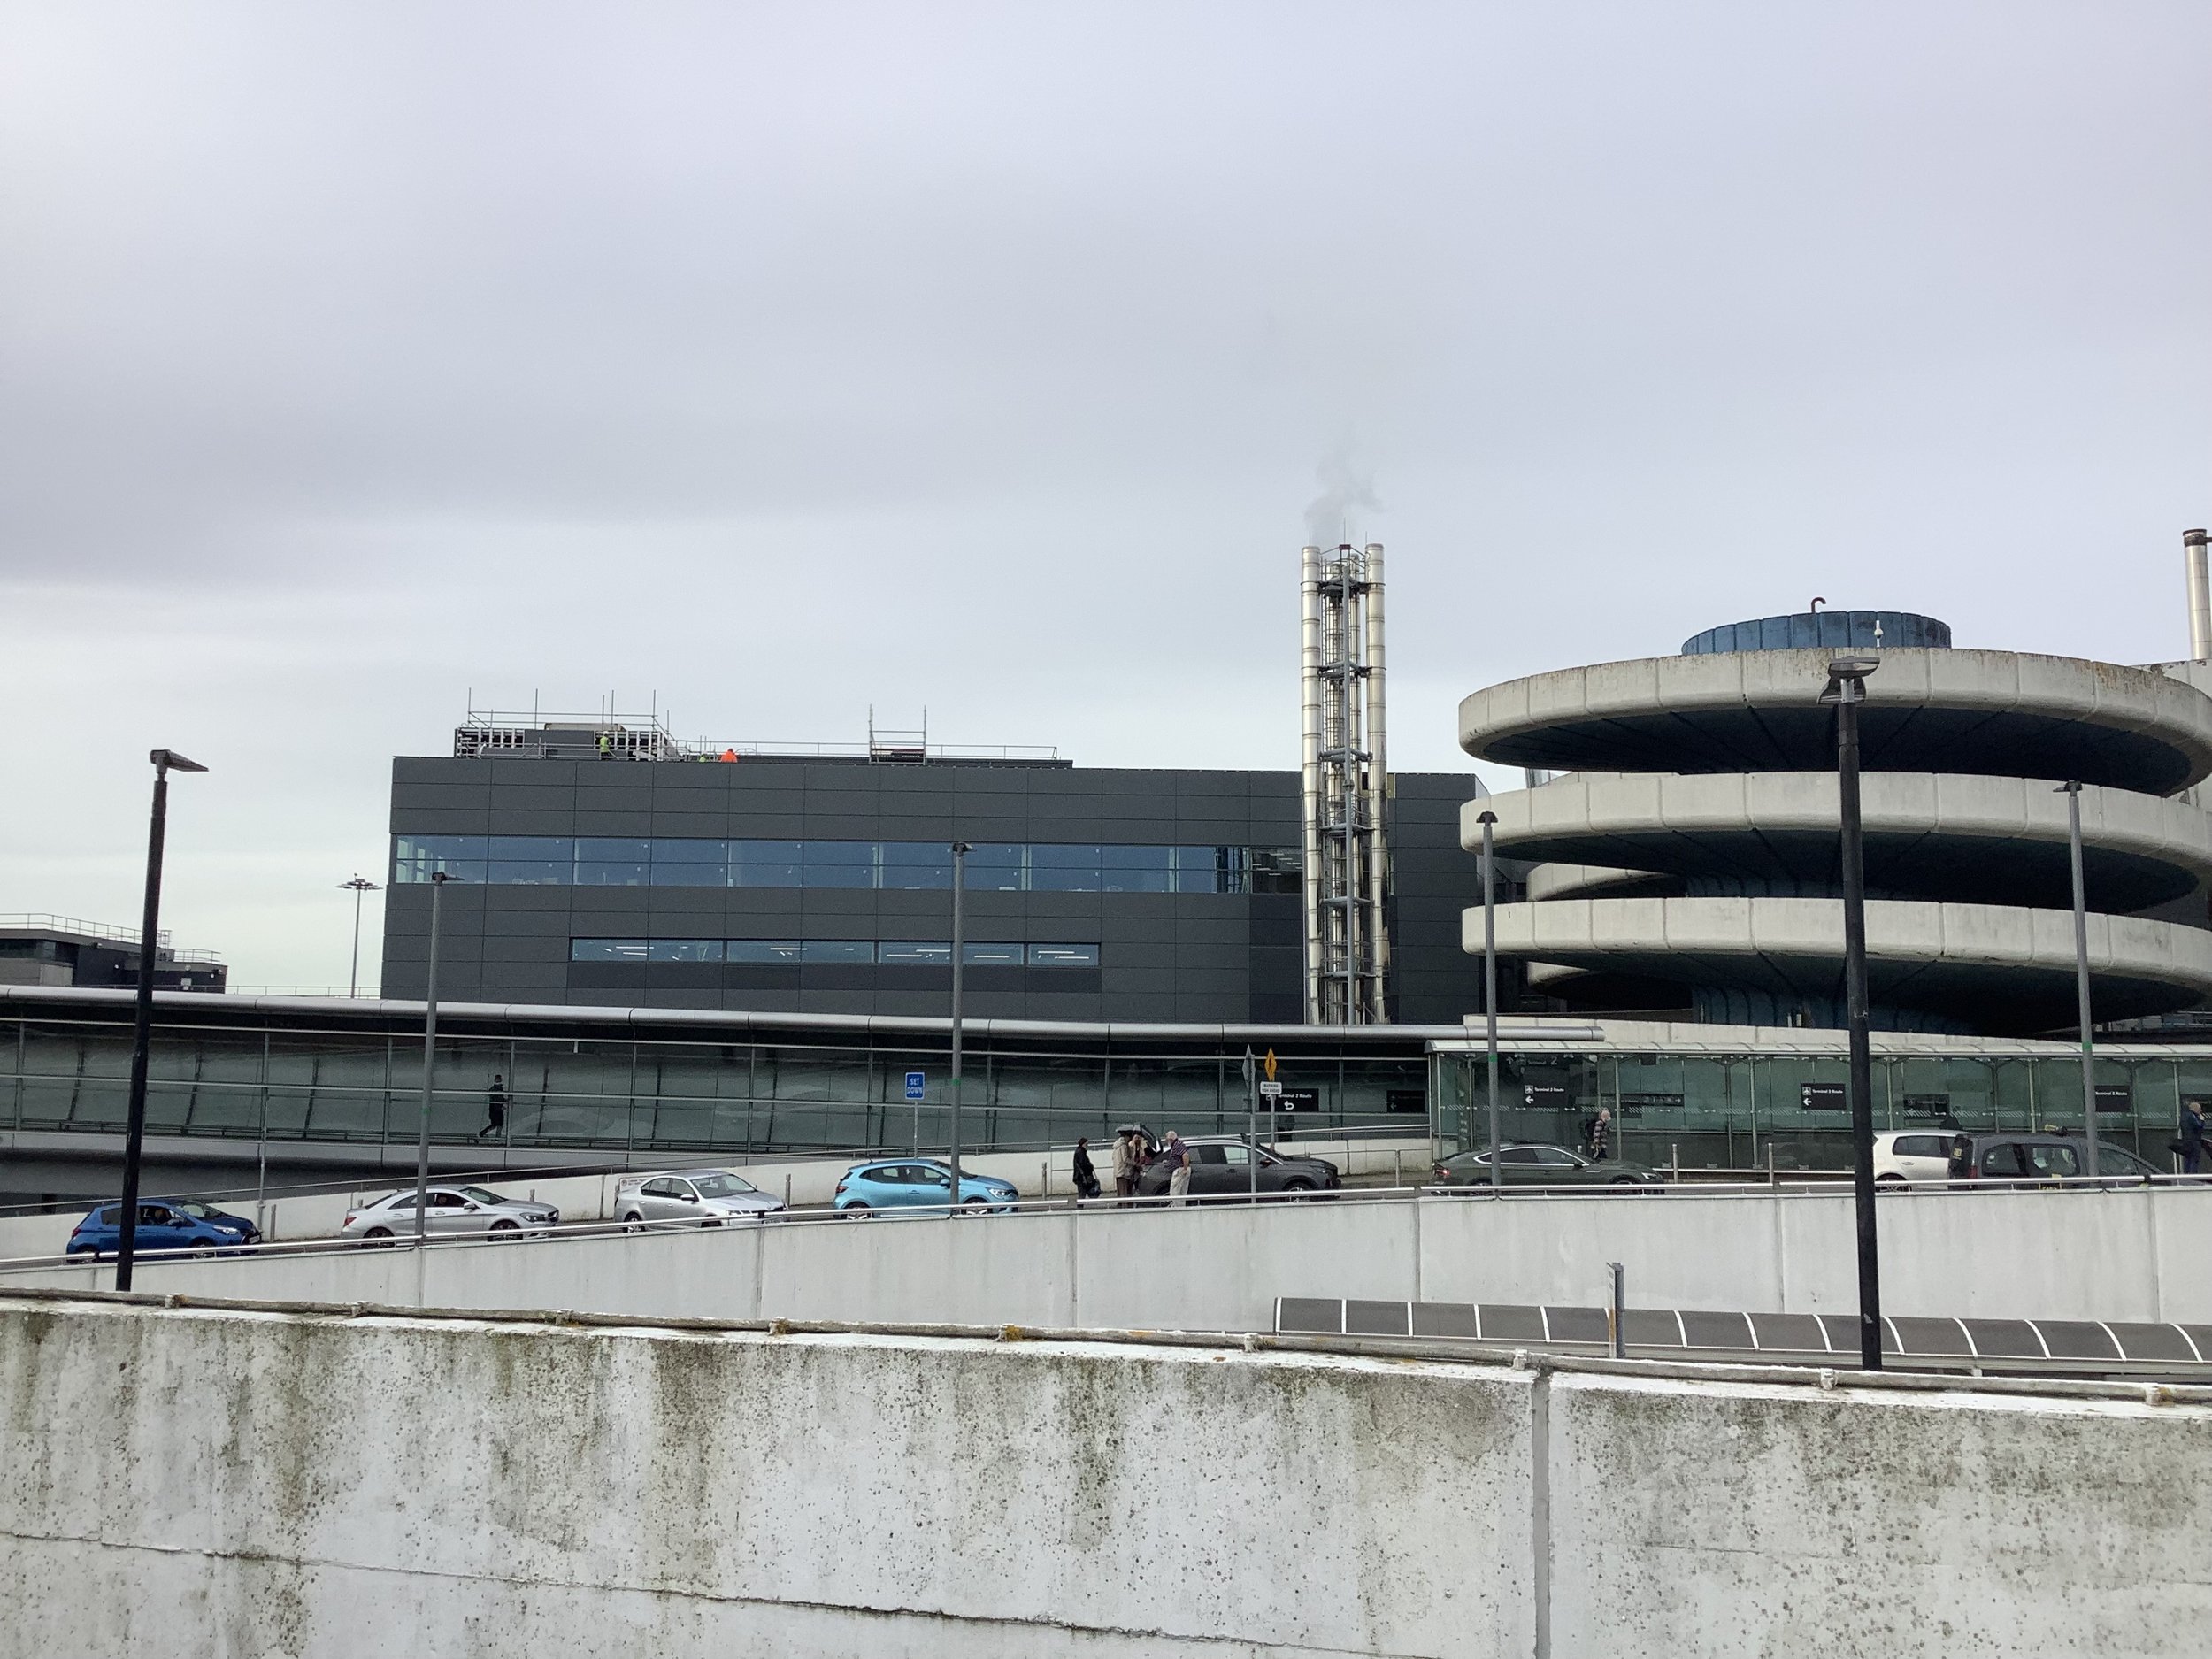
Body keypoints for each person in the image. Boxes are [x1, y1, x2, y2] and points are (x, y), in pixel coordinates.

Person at [1163, 1130, 1192, 1208]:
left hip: (1180, 1170)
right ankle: (1181, 1207)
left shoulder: (1177, 1144)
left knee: (1175, 1191)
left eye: (1167, 1138)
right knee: (1181, 1192)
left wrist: (1185, 1168)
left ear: (1170, 1138)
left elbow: (1185, 1155)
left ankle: (1177, 1207)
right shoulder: (1176, 1144)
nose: (1166, 1140)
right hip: (1181, 1168)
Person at [2179, 1101, 2207, 1174]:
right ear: (2195, 1109)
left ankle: (2186, 1176)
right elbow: (2199, 1127)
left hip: (2186, 1140)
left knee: (2188, 1159)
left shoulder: (2184, 1116)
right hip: (2194, 1141)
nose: (2201, 1111)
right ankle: (2193, 1177)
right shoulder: (2192, 1116)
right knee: (2194, 1160)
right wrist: (2202, 1120)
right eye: (2199, 1109)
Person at [479, 1074, 509, 1141]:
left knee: (494, 1124)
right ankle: (496, 1139)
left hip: (493, 1110)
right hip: (497, 1110)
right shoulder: (499, 1089)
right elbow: (498, 1099)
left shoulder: (493, 1089)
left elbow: (495, 1099)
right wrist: (503, 1104)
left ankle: (483, 1134)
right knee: (499, 1125)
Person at [1071, 1137, 1101, 1201]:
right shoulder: (1081, 1152)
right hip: (1082, 1176)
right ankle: (1080, 1207)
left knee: (1083, 1193)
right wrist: (1090, 1167)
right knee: (1082, 1193)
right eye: (1086, 1144)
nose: (1087, 1146)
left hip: (1080, 1176)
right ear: (1083, 1144)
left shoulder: (1080, 1151)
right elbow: (1083, 1164)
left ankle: (1080, 1207)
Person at [1112, 1129, 1138, 1198]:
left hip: (1118, 1171)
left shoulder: (1116, 1145)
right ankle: (1126, 1208)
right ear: (1127, 1137)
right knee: (1125, 1193)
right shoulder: (1123, 1146)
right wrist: (1135, 1164)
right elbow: (1125, 1159)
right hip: (1124, 1172)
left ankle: (1122, 1207)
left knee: (1121, 1193)